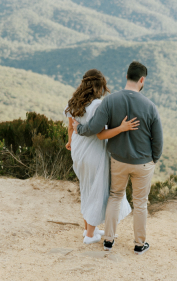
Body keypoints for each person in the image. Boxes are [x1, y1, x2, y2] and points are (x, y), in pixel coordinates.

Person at [74, 61, 163, 256]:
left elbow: (93, 128)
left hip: (118, 160)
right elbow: (158, 140)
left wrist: (78, 129)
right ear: (142, 80)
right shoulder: (150, 106)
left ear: (126, 76)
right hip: (143, 162)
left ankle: (108, 241)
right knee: (140, 203)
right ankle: (139, 245)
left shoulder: (110, 101)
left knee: (115, 196)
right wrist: (153, 160)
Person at [65, 69, 138, 244]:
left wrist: (69, 142)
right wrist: (122, 128)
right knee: (97, 191)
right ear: (99, 86)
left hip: (78, 151)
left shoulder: (73, 103)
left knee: (87, 188)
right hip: (94, 151)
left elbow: (70, 127)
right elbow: (101, 133)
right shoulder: (98, 105)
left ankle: (88, 229)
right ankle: (90, 236)